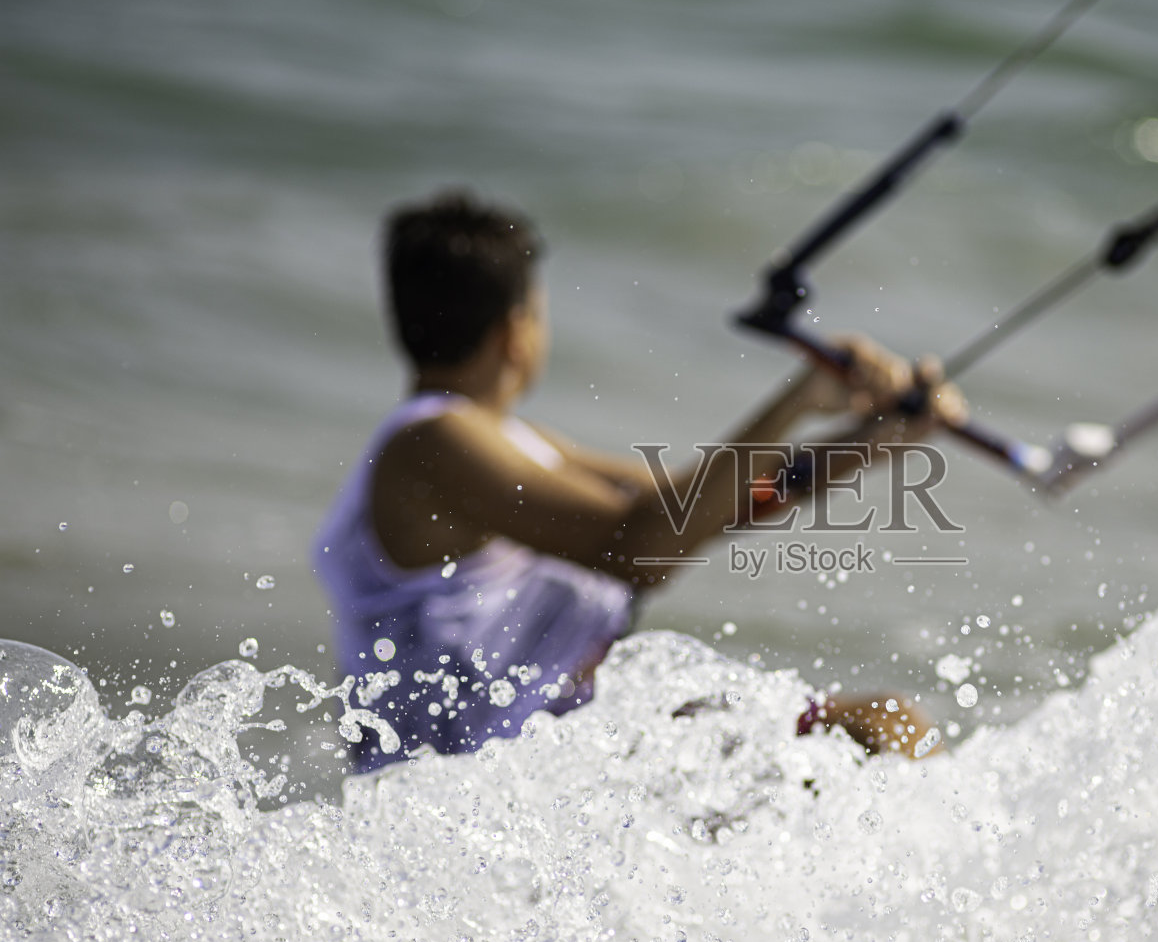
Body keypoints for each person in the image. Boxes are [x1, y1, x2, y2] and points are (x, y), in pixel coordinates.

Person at [313, 190, 964, 772]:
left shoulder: (508, 445)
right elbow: (640, 548)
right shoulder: (431, 443)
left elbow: (700, 510)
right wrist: (795, 402)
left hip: (572, 751)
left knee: (884, 727)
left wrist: (874, 441)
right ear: (517, 333)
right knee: (885, 727)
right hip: (497, 783)